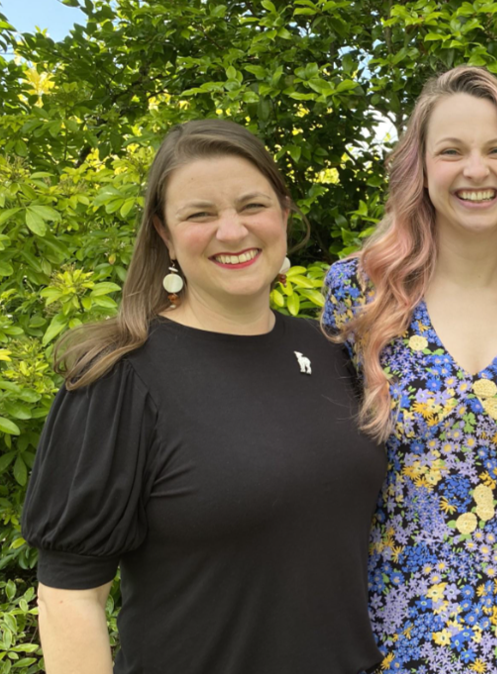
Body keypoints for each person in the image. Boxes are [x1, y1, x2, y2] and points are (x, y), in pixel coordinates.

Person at [21, 119, 386, 674]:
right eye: (200, 214)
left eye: (252, 205)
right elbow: (70, 597)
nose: (233, 231)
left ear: (284, 214)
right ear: (164, 234)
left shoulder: (332, 352)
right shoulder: (121, 379)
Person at [321, 66, 497, 674]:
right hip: (386, 619)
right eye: (453, 151)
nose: (476, 170)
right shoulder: (359, 294)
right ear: (421, 167)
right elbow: (317, 458)